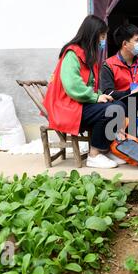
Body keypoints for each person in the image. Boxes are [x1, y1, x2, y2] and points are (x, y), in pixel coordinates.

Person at [43, 15, 126, 169]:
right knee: (110, 110)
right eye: (102, 36)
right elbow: (73, 87)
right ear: (92, 35)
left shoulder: (88, 56)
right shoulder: (72, 55)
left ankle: (104, 150)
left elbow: (92, 86)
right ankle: (94, 155)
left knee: (119, 104)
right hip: (67, 107)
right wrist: (96, 98)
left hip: (80, 104)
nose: (103, 40)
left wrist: (102, 95)